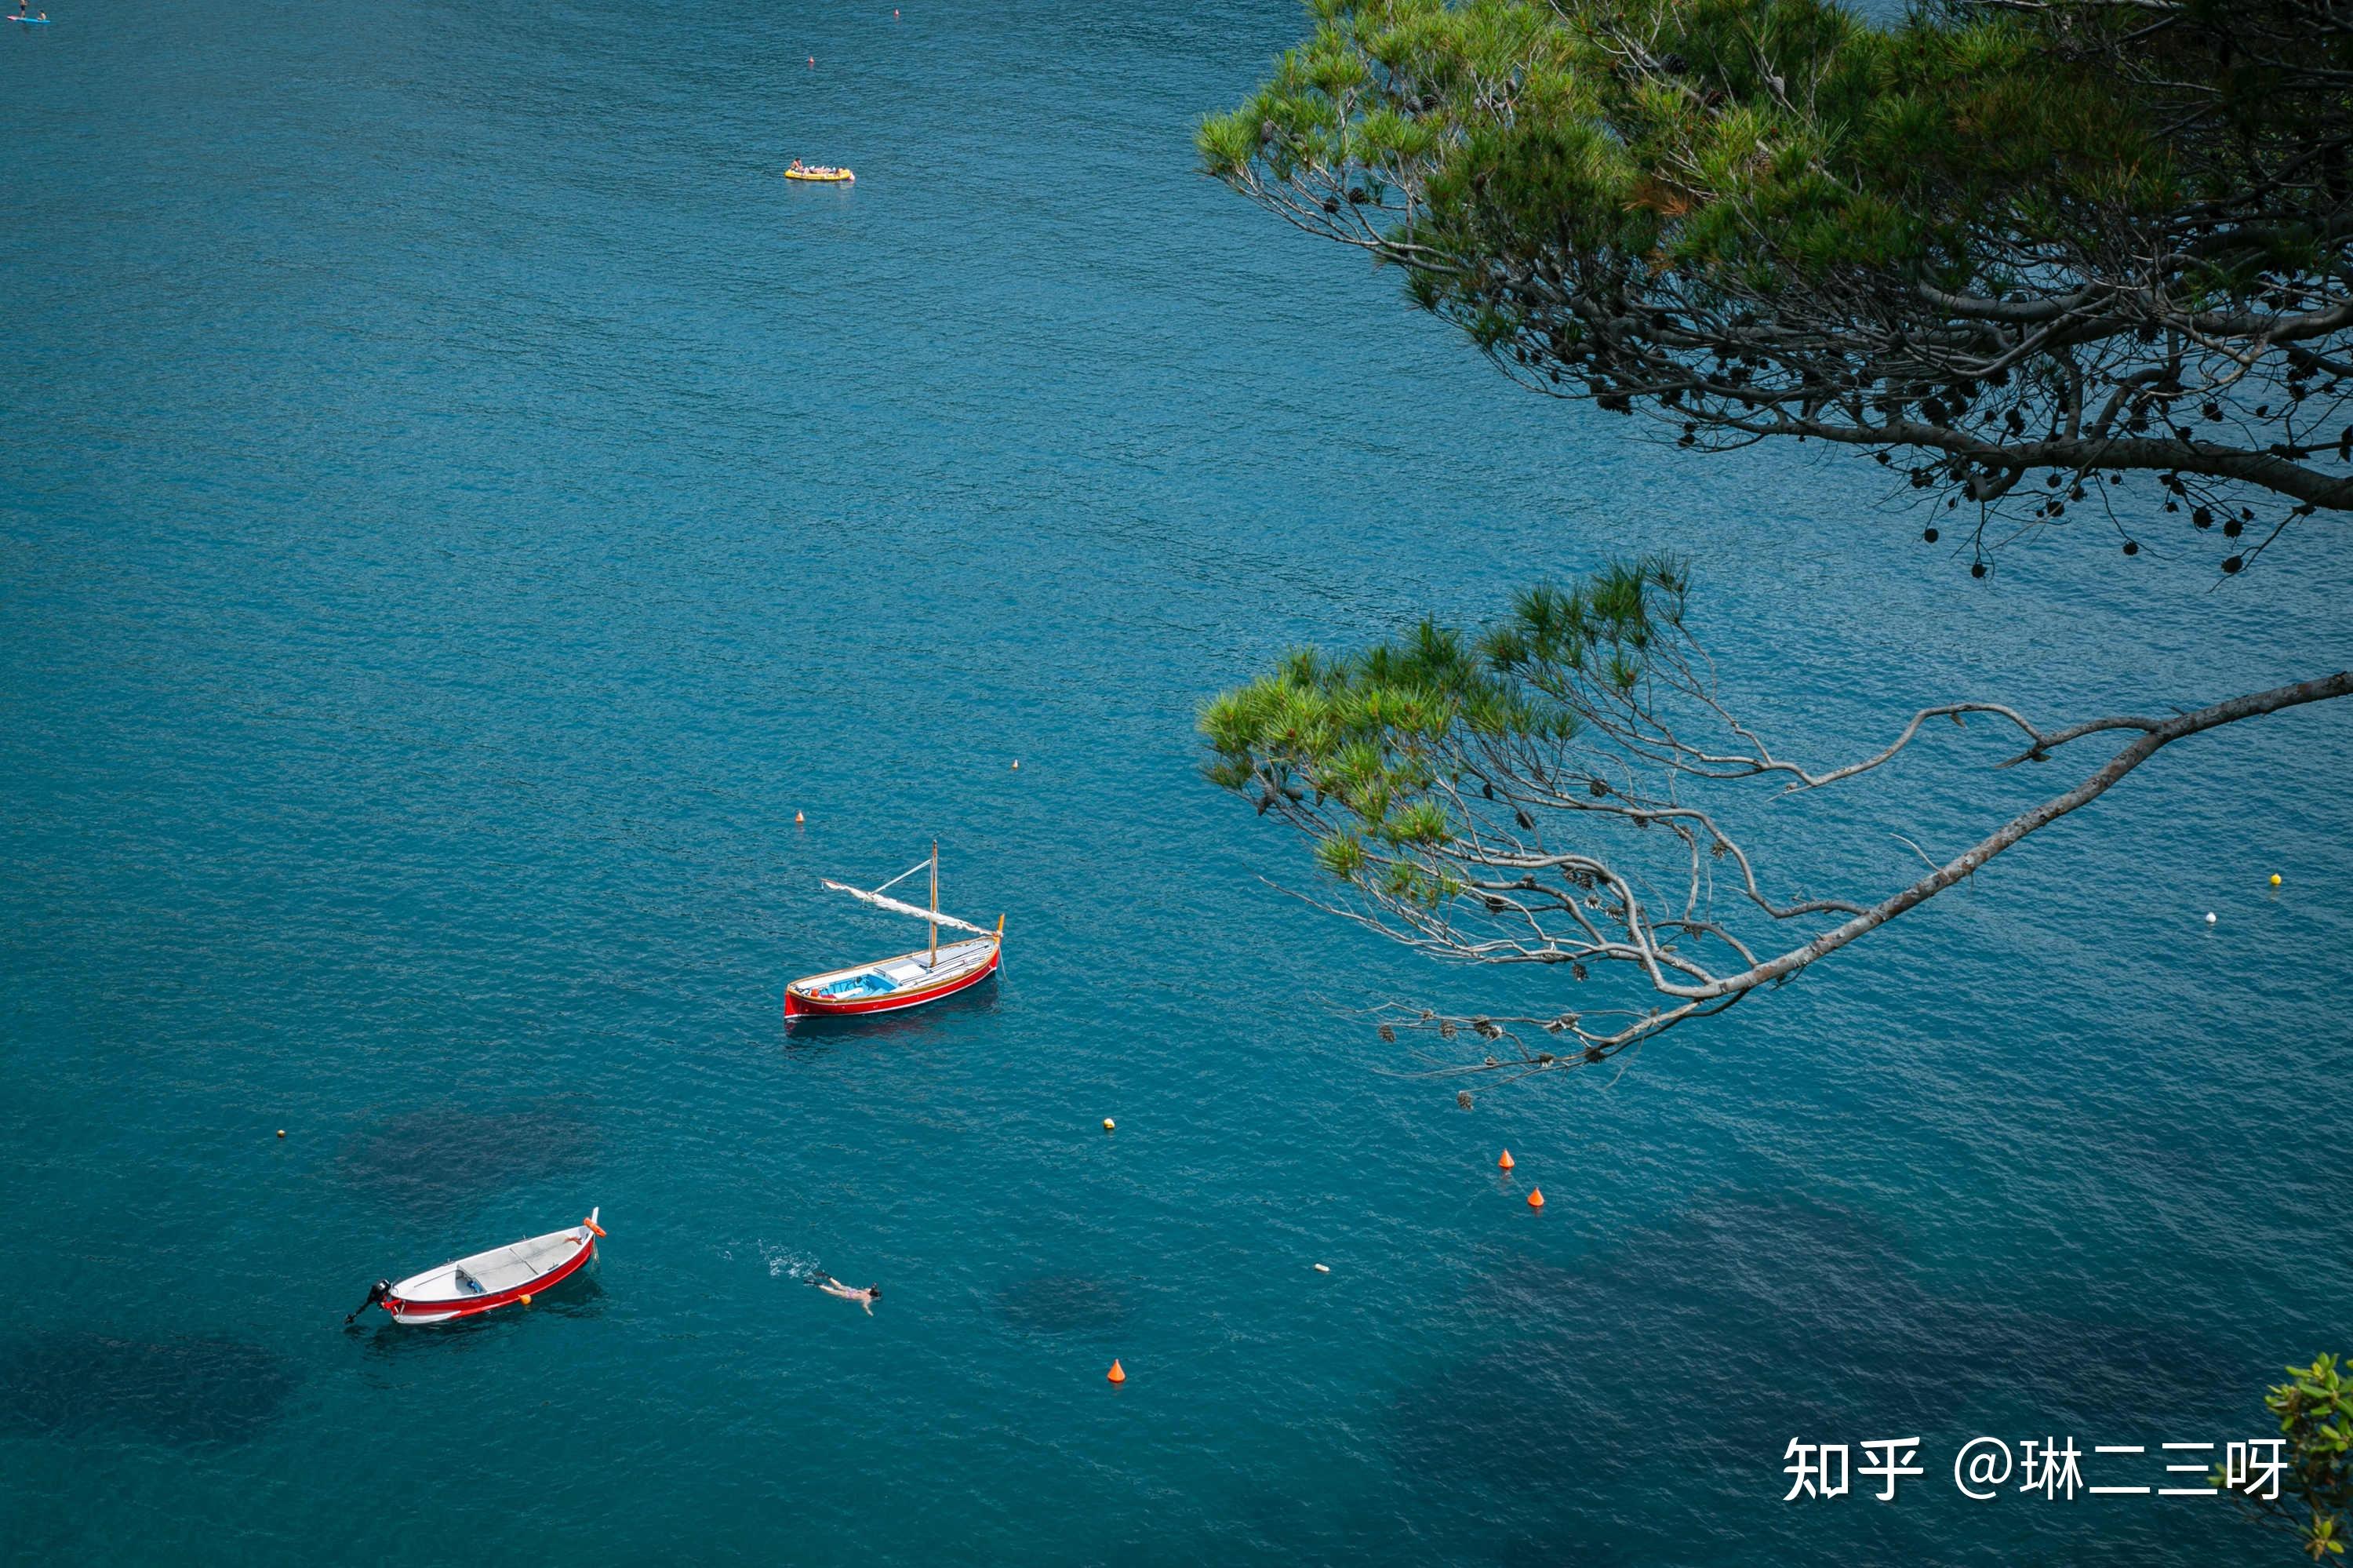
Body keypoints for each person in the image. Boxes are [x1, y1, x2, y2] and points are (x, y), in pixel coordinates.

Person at [815, 1275, 879, 1315]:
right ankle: (817, 1284)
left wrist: (875, 1285)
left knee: (839, 1286)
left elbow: (873, 1288)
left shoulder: (868, 1290)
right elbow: (864, 1306)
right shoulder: (868, 1299)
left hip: (851, 1290)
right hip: (848, 1295)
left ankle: (829, 1278)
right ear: (874, 1296)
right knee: (832, 1292)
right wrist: (868, 1311)